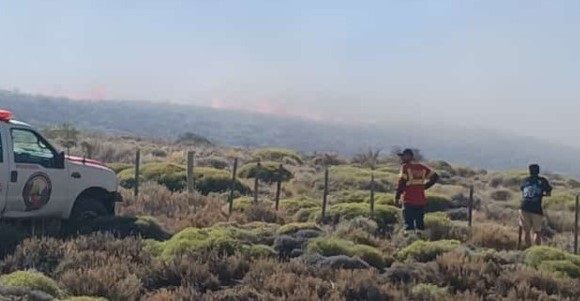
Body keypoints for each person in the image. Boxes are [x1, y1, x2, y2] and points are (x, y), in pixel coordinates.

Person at [395, 149, 439, 231]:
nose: (402, 159)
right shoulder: (422, 167)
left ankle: (410, 241)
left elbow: (401, 183)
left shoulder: (405, 167)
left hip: (409, 201)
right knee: (420, 225)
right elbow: (435, 177)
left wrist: (397, 197)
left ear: (409, 157)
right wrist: (425, 186)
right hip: (420, 201)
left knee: (409, 226)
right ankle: (420, 241)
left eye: (403, 156)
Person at [519, 164, 552, 246]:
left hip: (524, 207)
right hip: (536, 209)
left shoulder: (525, 180)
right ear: (538, 171)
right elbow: (548, 192)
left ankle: (528, 249)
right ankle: (536, 249)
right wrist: (541, 194)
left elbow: (523, 190)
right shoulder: (542, 180)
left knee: (526, 231)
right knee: (537, 231)